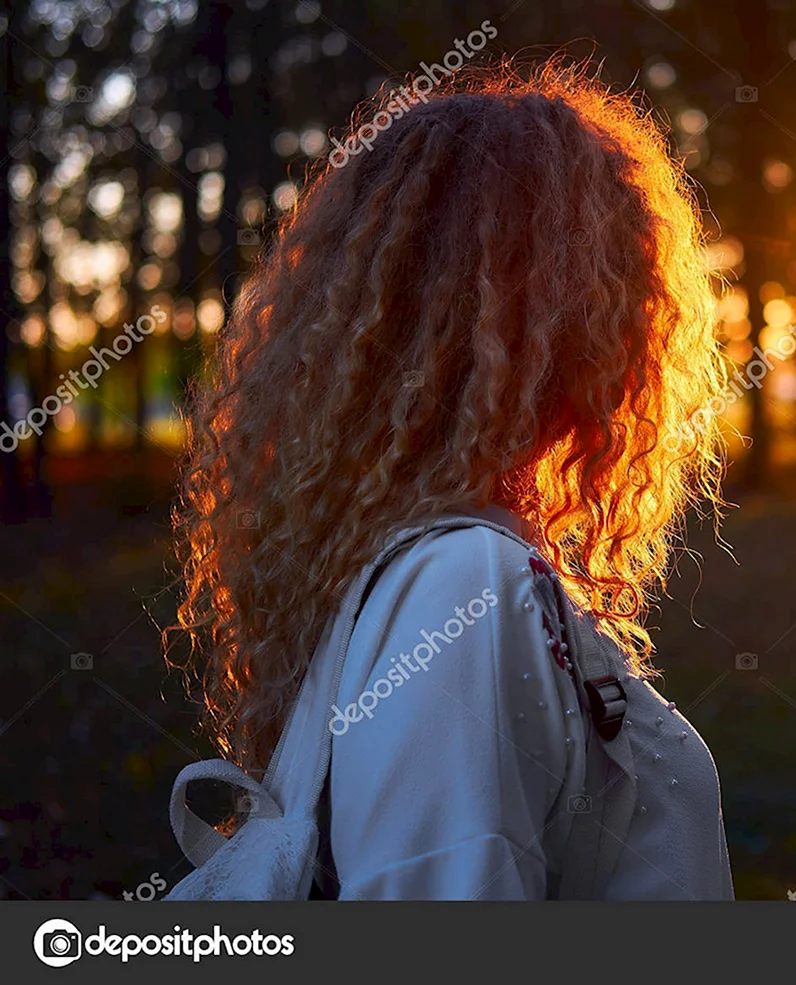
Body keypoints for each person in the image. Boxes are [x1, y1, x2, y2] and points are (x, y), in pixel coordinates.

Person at [166, 60, 733, 900]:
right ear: (540, 307)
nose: (647, 316)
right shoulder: (462, 585)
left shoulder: (433, 569)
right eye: (619, 270)